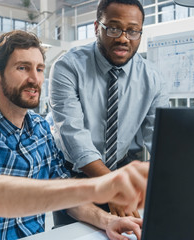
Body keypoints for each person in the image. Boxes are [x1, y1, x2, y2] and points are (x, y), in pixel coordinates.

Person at [0, 30, 149, 240]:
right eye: (22, 68)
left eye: (40, 69)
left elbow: (66, 194)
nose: (35, 79)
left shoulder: (40, 128)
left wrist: (108, 221)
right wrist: (100, 187)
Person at [49, 0, 169, 223]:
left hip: (121, 170)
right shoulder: (68, 67)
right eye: (114, 28)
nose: (124, 38)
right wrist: (113, 187)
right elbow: (74, 137)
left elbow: (162, 140)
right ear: (97, 27)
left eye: (133, 31)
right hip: (76, 177)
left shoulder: (153, 77)